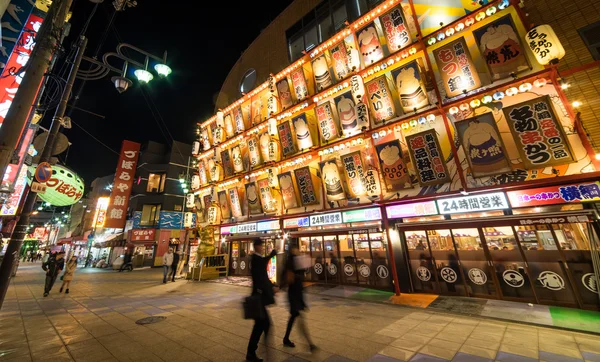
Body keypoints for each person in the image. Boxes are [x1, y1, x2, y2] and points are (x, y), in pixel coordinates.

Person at [246, 239, 278, 362]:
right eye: (261, 245)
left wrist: (272, 286)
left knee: (262, 324)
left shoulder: (257, 259)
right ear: (257, 246)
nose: (262, 247)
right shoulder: (255, 259)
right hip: (258, 297)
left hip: (259, 297)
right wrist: (271, 255)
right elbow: (261, 276)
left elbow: (263, 270)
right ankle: (252, 352)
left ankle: (254, 350)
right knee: (263, 324)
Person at [282, 247, 317, 351]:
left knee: (293, 317)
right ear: (293, 250)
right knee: (299, 318)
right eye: (296, 249)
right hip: (293, 294)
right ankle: (310, 344)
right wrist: (298, 277)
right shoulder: (290, 261)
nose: (298, 251)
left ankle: (286, 338)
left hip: (297, 294)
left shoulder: (296, 260)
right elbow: (290, 278)